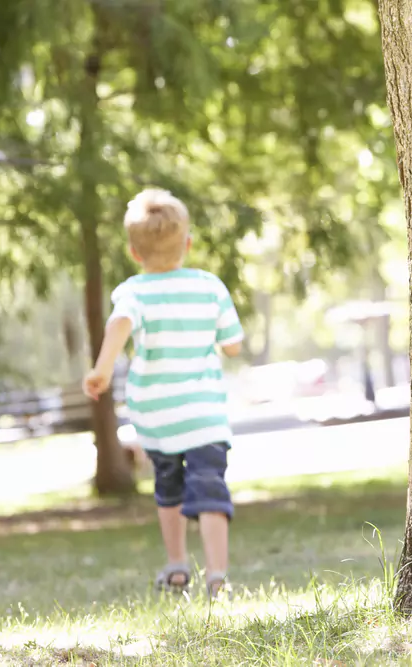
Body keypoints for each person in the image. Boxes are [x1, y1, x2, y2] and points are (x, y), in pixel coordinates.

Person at [83, 188, 244, 599]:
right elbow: (233, 345)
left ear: (135, 253)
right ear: (187, 244)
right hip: (204, 413)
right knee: (210, 488)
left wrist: (102, 370)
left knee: (168, 488)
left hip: (156, 415)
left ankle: (176, 567)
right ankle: (218, 576)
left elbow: (120, 324)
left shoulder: (133, 292)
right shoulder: (210, 286)